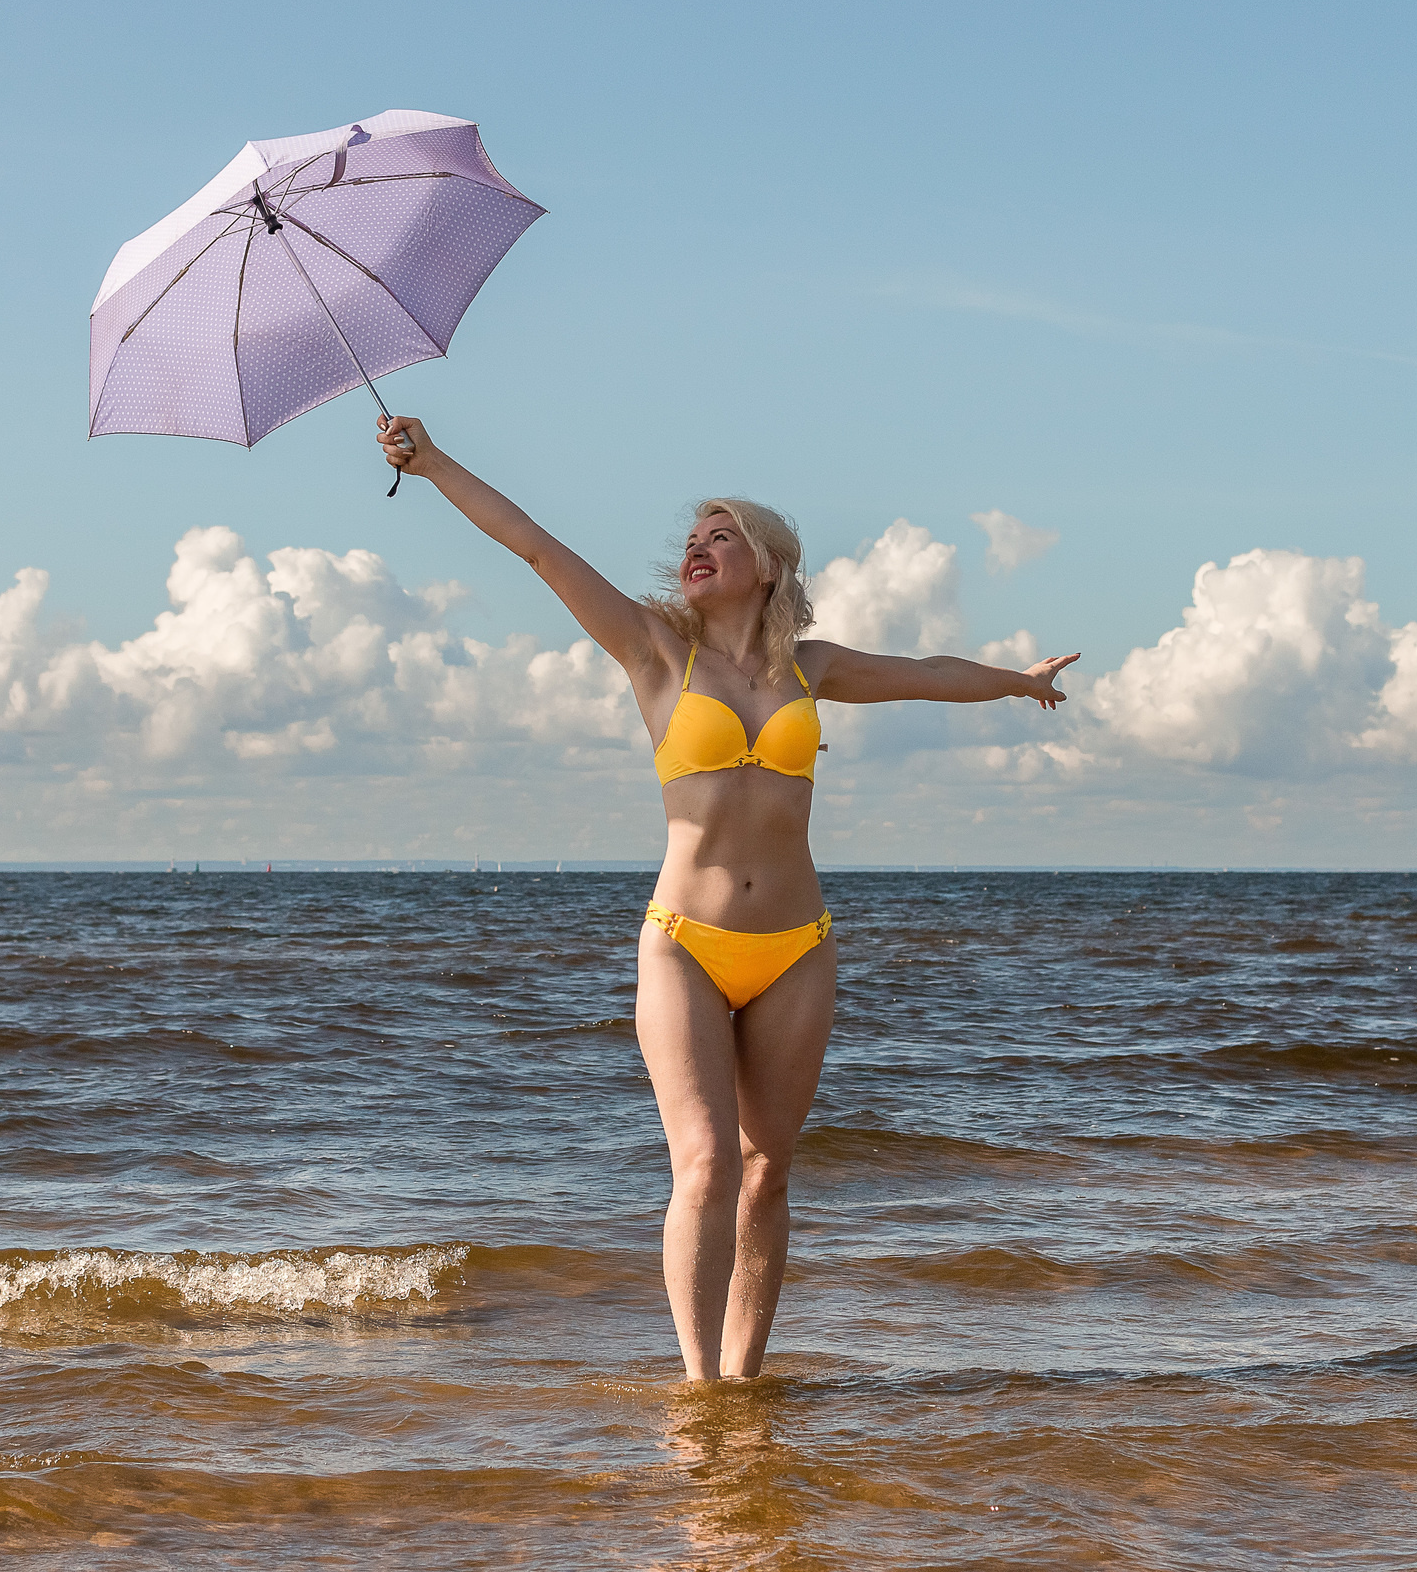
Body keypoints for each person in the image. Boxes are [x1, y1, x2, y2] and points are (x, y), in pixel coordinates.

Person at [378, 415, 1078, 1382]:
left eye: (722, 535)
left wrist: (1018, 683)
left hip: (797, 947)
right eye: (692, 538)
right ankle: (698, 1387)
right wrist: (433, 462)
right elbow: (536, 546)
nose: (697, 548)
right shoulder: (653, 650)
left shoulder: (810, 668)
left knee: (767, 1171)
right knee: (706, 1160)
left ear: (769, 565)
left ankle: (746, 1384)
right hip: (686, 943)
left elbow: (924, 676)